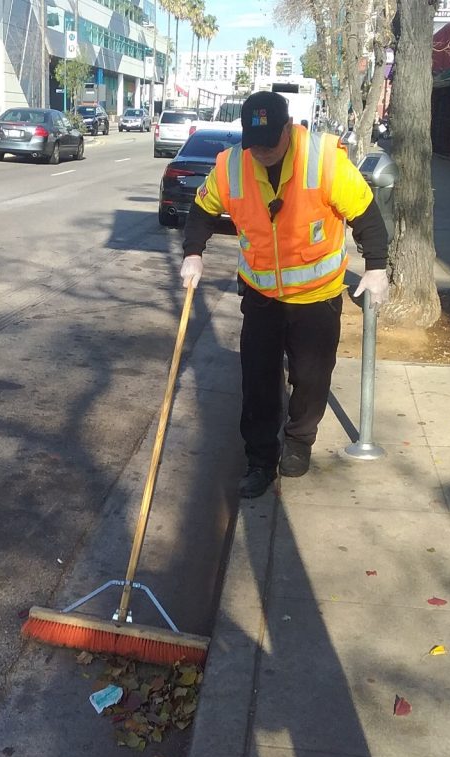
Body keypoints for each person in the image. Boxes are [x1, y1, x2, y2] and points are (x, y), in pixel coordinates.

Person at [179, 91, 390, 499]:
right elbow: (202, 210)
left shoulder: (324, 159)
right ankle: (259, 459)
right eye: (254, 143)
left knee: (311, 378)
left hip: (317, 296)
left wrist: (377, 267)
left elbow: (365, 212)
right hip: (261, 295)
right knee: (258, 382)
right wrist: (193, 253)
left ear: (288, 128)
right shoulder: (231, 166)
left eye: (270, 142)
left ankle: (298, 440)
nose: (262, 152)